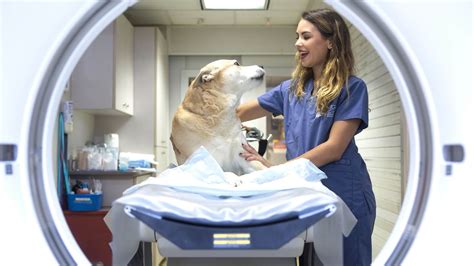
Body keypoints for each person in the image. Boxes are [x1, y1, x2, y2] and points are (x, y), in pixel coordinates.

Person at [237, 8, 376, 266]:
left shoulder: (352, 89)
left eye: (306, 36)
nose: (297, 43)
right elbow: (239, 113)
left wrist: (276, 173)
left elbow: (334, 148)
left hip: (344, 195)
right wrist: (204, 101)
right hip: (304, 195)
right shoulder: (291, 90)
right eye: (297, 36)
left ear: (331, 41)